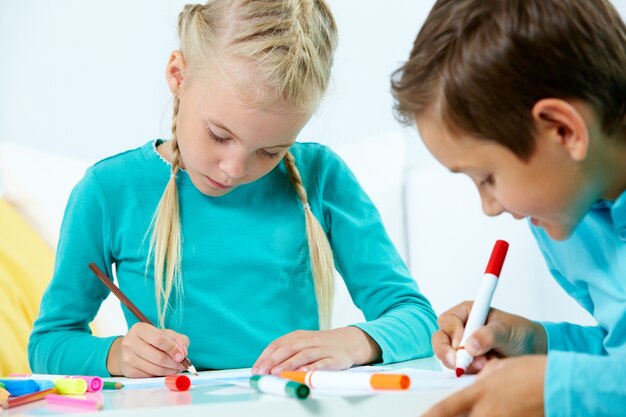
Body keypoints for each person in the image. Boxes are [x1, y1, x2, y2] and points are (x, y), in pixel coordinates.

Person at [28, 0, 437, 378]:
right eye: (219, 135)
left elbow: (417, 319)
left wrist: (352, 342)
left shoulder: (322, 175)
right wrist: (117, 355)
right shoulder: (108, 191)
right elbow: (49, 343)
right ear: (178, 75)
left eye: (271, 151)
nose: (235, 169)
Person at [391, 0, 626, 415]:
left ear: (562, 130)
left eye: (488, 179)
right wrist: (536, 343)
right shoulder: (571, 221)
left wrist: (556, 388)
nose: (489, 207)